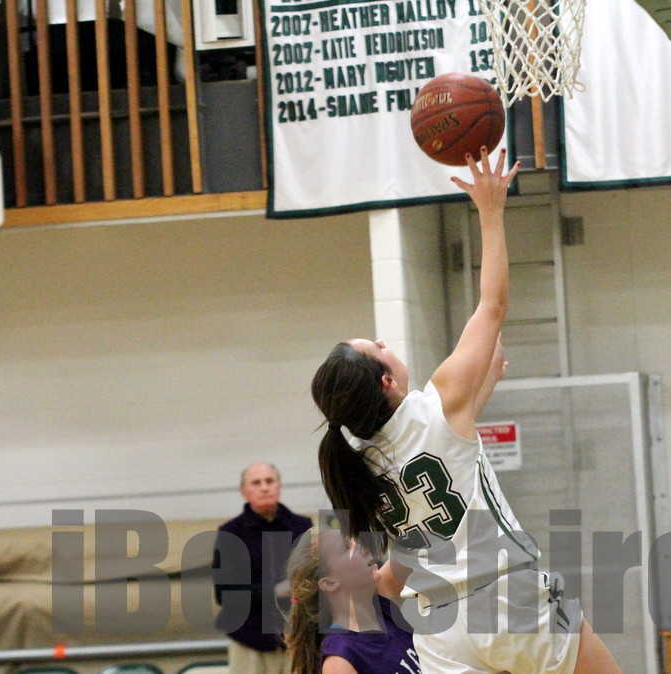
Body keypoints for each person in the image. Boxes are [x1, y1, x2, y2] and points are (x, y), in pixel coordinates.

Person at [310, 148, 622, 674]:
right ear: (386, 380)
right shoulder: (437, 404)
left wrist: (378, 582)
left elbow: (396, 575)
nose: (387, 344)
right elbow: (493, 306)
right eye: (379, 346)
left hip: (440, 628)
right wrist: (491, 211)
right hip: (509, 597)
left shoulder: (358, 463)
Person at [214, 462, 314, 674]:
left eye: (270, 481)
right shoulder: (230, 533)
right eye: (256, 483)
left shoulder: (303, 527)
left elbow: (313, 576)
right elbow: (224, 593)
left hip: (297, 640)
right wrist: (275, 591)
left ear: (279, 486)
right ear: (244, 491)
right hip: (249, 642)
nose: (264, 487)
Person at [284, 524, 422, 674]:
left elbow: (418, 542)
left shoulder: (378, 600)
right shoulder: (340, 661)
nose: (361, 545)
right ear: (329, 583)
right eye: (346, 547)